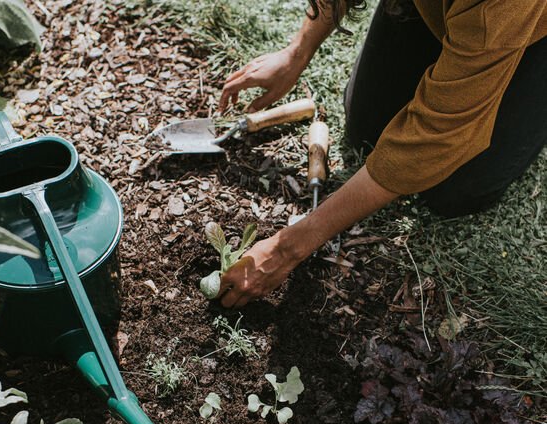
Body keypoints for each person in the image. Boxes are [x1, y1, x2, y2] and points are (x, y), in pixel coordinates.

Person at [216, 0, 547, 308]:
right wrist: (297, 51)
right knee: (369, 133)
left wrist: (288, 248)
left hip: (525, 28)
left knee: (456, 190)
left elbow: (437, 135)